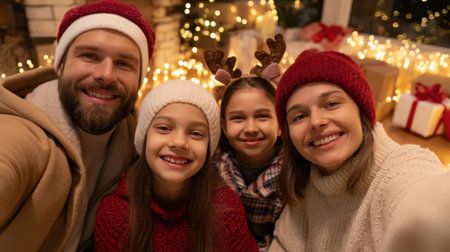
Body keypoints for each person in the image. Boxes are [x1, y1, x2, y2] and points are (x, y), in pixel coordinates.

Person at [0, 0, 155, 251]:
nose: (106, 74)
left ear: (139, 80)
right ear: (60, 65)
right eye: (89, 56)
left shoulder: (137, 139)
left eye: (124, 63)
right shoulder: (22, 133)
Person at [269, 50, 445, 251]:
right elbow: (283, 243)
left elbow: (425, 206)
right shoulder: (305, 178)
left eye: (331, 104)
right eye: (299, 116)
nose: (316, 122)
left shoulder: (403, 166)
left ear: (360, 110)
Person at [94, 80, 259, 251]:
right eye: (164, 128)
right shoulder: (114, 214)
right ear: (144, 138)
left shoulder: (226, 210)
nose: (179, 142)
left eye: (195, 133)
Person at [204, 34, 286, 251]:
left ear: (280, 123)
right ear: (223, 126)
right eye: (238, 118)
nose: (251, 128)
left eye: (262, 116)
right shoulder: (213, 168)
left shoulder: (292, 173)